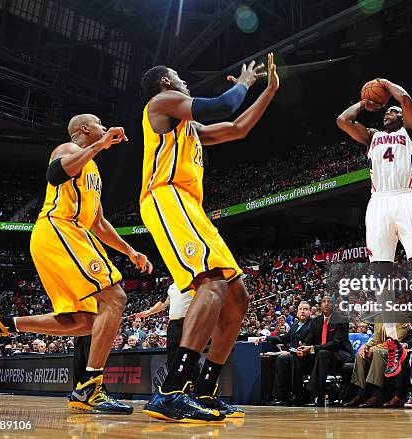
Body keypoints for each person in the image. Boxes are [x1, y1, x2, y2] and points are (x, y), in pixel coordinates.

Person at [0, 114, 152, 414]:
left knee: (84, 322)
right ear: (84, 129)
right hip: (59, 229)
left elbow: (99, 222)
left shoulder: (92, 169)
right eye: (99, 124)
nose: (104, 128)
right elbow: (55, 174)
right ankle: (91, 388)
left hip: (71, 234)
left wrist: (131, 251)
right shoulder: (66, 149)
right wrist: (101, 145)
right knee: (115, 297)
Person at [138, 53, 279, 422]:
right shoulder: (160, 103)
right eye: (179, 76)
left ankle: (205, 390)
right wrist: (246, 83)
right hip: (165, 196)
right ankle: (171, 391)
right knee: (212, 284)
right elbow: (223, 104)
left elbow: (236, 128)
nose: (184, 81)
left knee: (238, 298)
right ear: (166, 83)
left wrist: (270, 91)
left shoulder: (188, 129)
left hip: (191, 207)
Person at [336, 79, 412, 378]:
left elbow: (406, 99)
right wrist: (364, 103)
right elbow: (343, 120)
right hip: (378, 202)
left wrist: (385, 85)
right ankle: (393, 340)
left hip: (406, 198)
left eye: (391, 112)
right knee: (380, 272)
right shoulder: (371, 137)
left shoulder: (411, 133)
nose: (388, 114)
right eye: (386, 112)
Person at [297, 296, 353, 406]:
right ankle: (298, 395)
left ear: (334, 305)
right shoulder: (316, 321)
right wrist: (303, 347)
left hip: (341, 353)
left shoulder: (341, 319)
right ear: (320, 306)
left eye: (329, 302)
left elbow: (336, 343)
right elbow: (309, 339)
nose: (326, 304)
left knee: (322, 354)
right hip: (323, 355)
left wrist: (312, 348)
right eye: (323, 302)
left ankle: (317, 396)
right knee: (295, 357)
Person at [256, 301, 312, 406]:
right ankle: (269, 396)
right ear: (297, 312)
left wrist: (292, 350)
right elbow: (284, 338)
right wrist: (267, 337)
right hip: (292, 354)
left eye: (305, 309)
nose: (303, 312)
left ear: (310, 312)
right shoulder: (296, 324)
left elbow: (310, 341)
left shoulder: (312, 325)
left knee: (283, 359)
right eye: (300, 309)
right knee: (268, 359)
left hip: (306, 356)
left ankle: (284, 397)